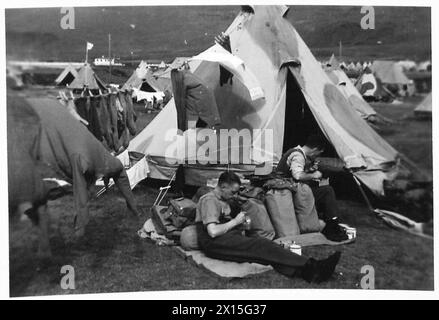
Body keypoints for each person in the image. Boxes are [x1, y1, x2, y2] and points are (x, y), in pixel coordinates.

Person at [196, 171, 341, 283]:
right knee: (261, 245)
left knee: (264, 255)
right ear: (222, 186)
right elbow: (213, 231)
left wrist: (241, 225)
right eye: (233, 192)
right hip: (213, 243)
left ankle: (307, 273)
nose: (234, 195)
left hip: (226, 239)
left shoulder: (224, 199)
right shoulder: (209, 200)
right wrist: (235, 221)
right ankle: (312, 265)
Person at [277, 135, 348, 242]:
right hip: (287, 193)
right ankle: (332, 224)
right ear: (315, 150)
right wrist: (314, 174)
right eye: (318, 153)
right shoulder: (298, 155)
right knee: (327, 191)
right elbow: (298, 175)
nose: (316, 156)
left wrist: (309, 170)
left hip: (287, 190)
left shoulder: (294, 151)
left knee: (318, 189)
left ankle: (326, 220)